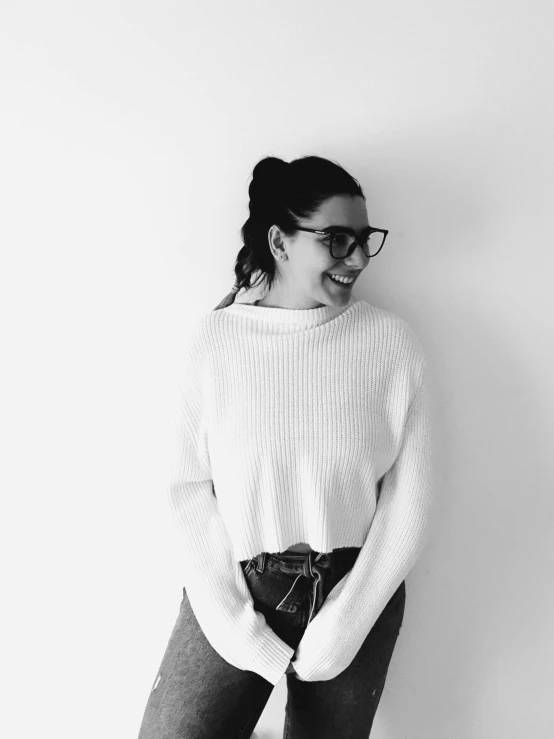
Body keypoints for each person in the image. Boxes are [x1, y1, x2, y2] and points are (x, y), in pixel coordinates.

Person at [137, 155, 435, 738]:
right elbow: (185, 491)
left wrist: (344, 625)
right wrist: (233, 623)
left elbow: (411, 500)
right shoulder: (213, 345)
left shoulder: (390, 345)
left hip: (356, 588)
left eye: (364, 240)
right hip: (235, 587)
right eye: (336, 239)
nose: (355, 258)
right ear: (279, 240)